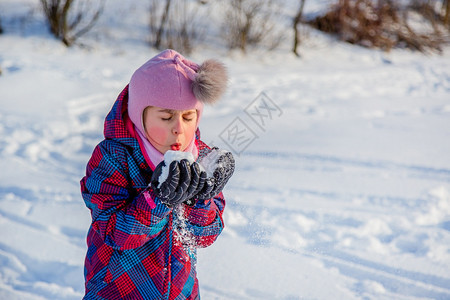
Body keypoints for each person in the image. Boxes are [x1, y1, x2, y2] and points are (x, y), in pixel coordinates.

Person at [80, 49, 235, 299]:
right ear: (139, 115)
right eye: (166, 117)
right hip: (118, 290)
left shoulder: (201, 159)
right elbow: (115, 233)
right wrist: (157, 200)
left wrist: (202, 198)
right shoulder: (113, 158)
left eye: (188, 117)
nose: (179, 129)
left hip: (180, 292)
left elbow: (204, 236)